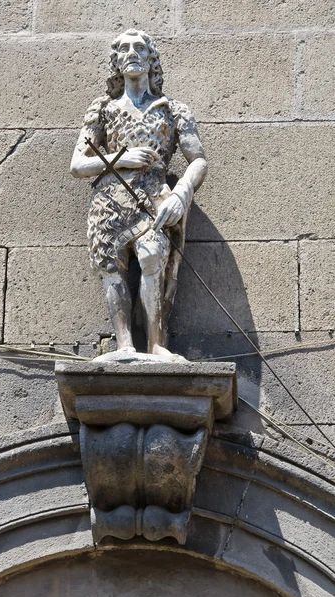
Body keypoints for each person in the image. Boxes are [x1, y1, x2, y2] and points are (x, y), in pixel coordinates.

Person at [70, 29, 207, 356]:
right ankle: (125, 345)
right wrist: (122, 158)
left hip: (154, 199)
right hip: (110, 204)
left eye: (139, 47)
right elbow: (77, 164)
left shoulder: (173, 110)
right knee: (113, 269)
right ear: (116, 62)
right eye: (124, 49)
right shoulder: (102, 109)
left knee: (151, 258)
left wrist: (181, 194)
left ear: (151, 59)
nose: (132, 53)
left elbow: (198, 159)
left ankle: (157, 345)